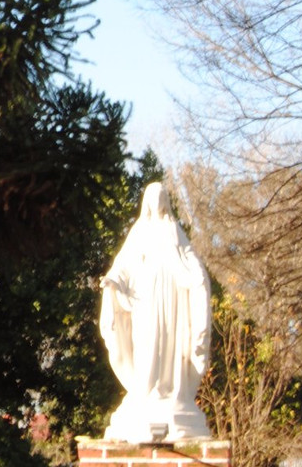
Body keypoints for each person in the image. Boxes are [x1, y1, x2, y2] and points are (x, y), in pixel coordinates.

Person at [99, 182, 212, 442]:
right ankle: (145, 391)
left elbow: (189, 257)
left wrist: (198, 276)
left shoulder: (174, 229)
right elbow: (123, 263)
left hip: (172, 297)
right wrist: (113, 281)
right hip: (145, 298)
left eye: (161, 198)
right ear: (146, 203)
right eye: (153, 198)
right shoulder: (139, 231)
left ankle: (171, 391)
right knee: (147, 342)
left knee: (170, 344)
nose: (157, 203)